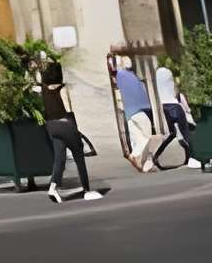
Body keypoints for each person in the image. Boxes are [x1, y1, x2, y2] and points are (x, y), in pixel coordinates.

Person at [40, 60, 102, 204]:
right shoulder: (63, 89)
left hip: (52, 126)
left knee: (59, 159)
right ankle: (86, 189)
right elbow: (68, 110)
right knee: (78, 155)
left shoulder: (43, 89)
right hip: (66, 125)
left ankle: (53, 187)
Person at [149, 59, 198, 169]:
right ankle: (193, 157)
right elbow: (175, 90)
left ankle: (156, 156)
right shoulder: (169, 74)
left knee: (172, 133)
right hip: (175, 106)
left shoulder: (155, 76)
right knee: (186, 134)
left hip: (163, 107)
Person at [112, 55, 156, 171]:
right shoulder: (131, 76)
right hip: (140, 111)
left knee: (137, 139)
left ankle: (142, 164)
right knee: (147, 138)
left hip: (129, 114)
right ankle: (138, 158)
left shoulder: (118, 78)